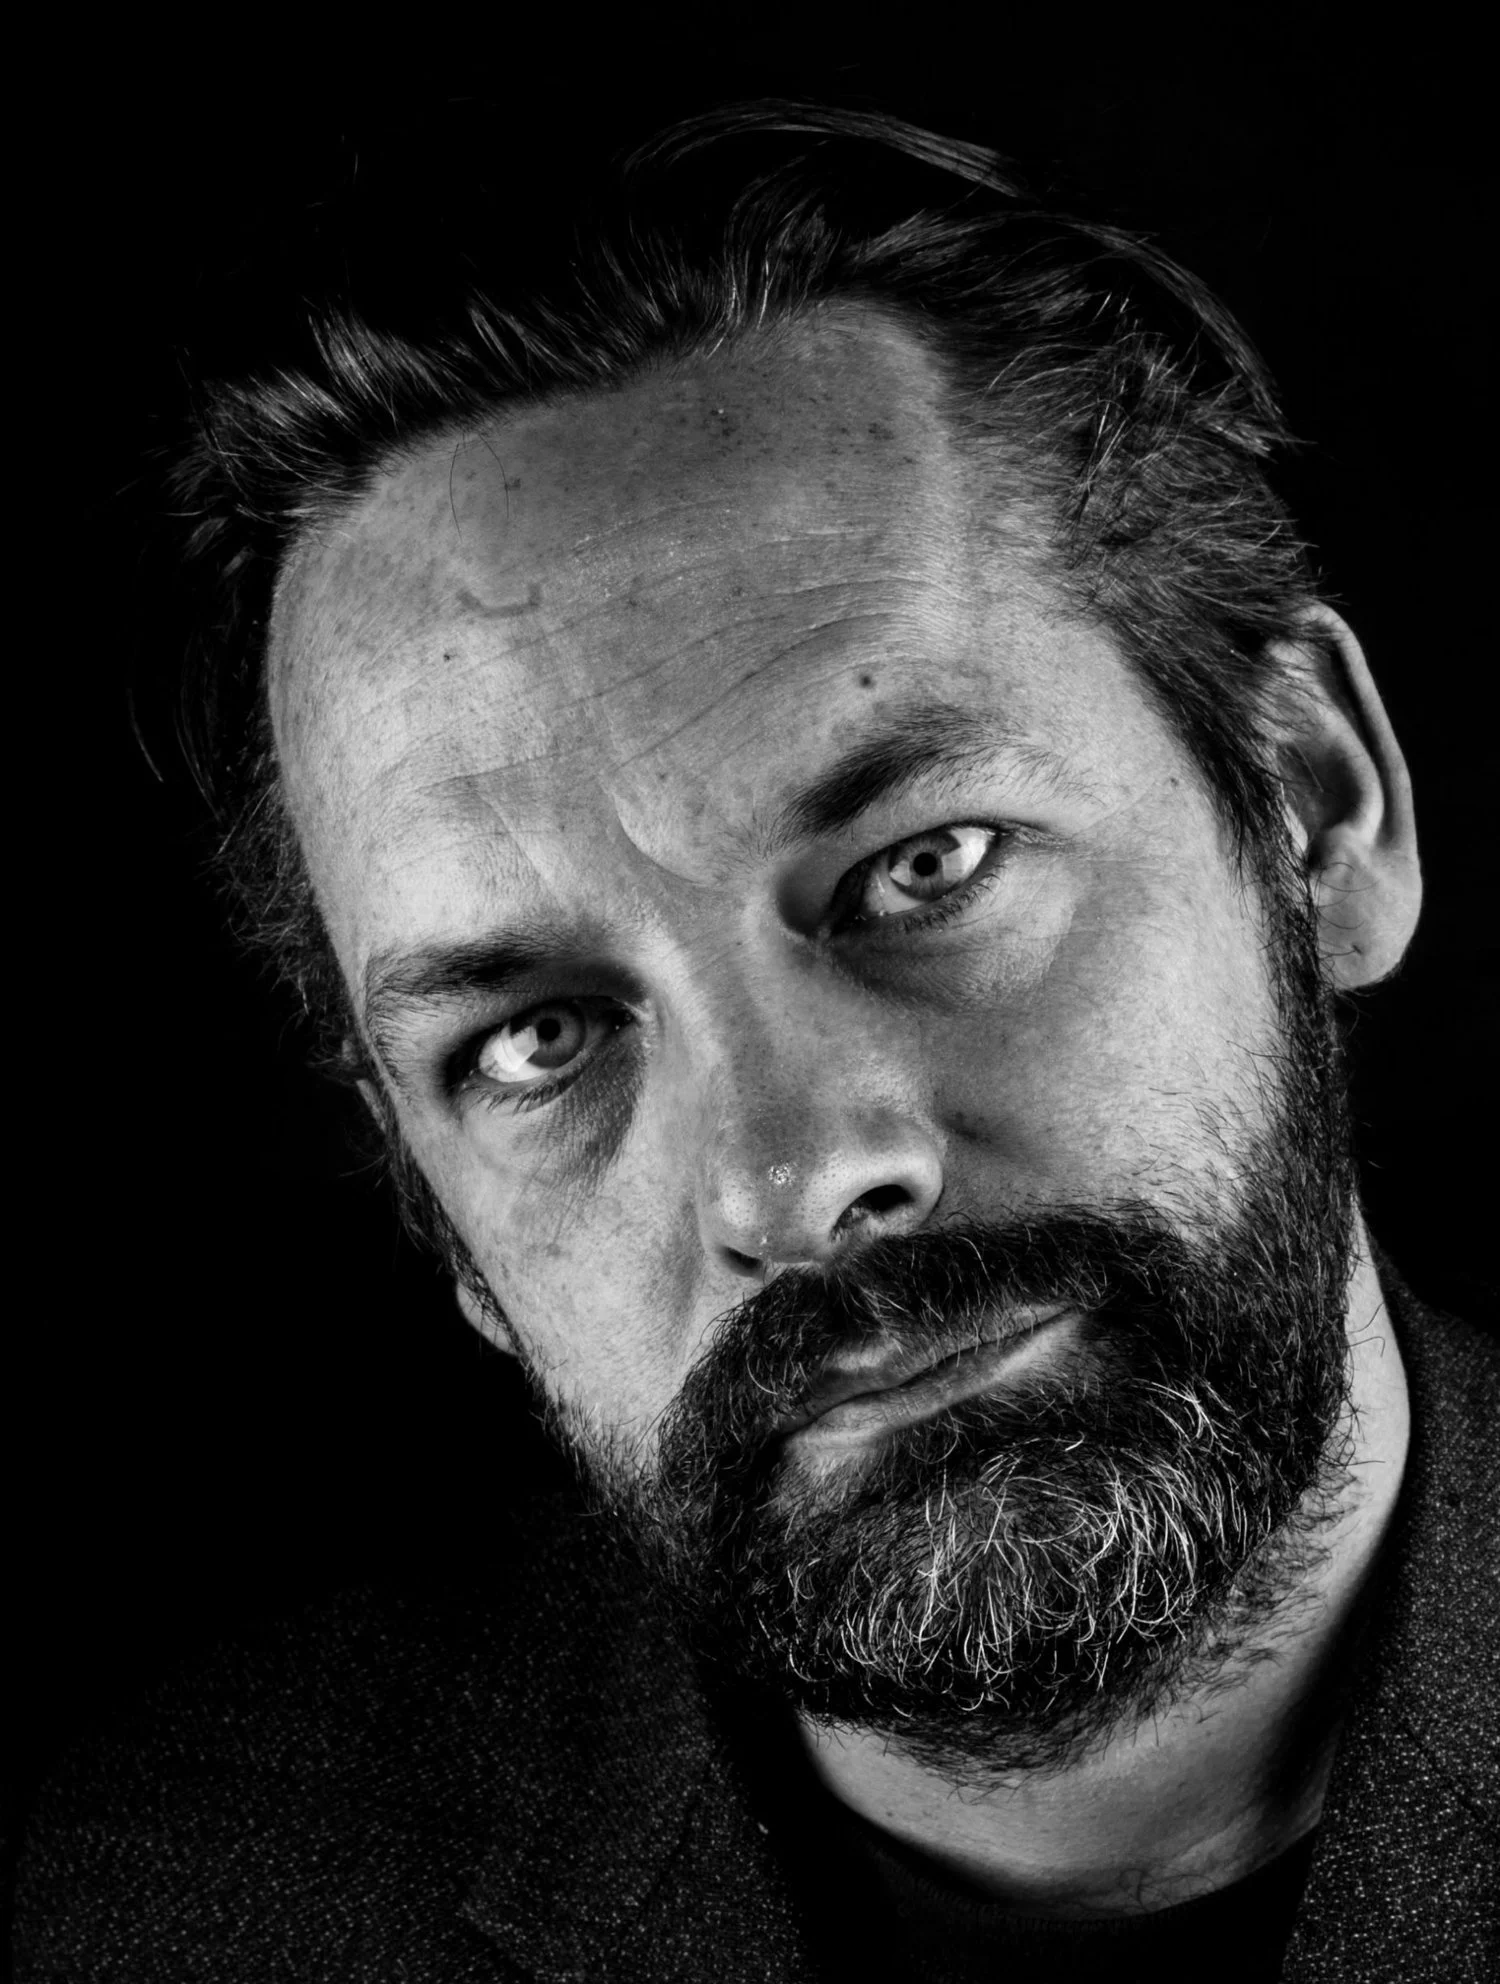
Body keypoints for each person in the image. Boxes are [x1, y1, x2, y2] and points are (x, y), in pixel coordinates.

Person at [12, 102, 1495, 1983]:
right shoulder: (181, 1902)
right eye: (540, 1039)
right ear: (432, 1210)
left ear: (1315, 808)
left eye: (923, 868)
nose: (792, 1176)